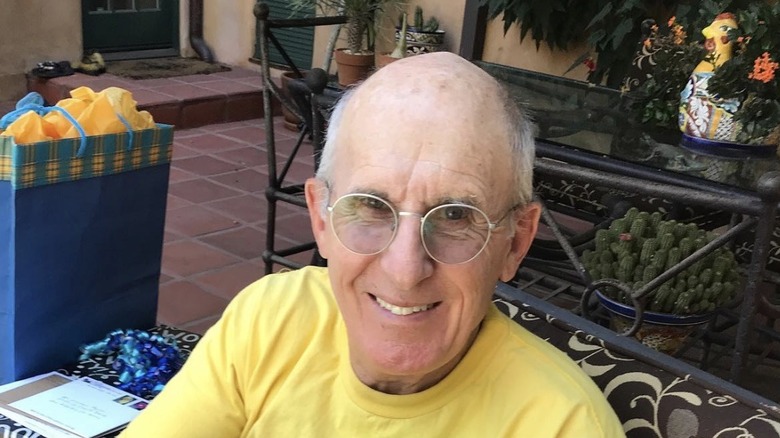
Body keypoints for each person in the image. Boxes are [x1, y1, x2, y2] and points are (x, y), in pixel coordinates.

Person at [121, 52, 624, 437]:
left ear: (515, 243)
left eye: (454, 216)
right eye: (372, 207)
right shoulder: (268, 318)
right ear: (320, 217)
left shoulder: (562, 424)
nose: (406, 270)